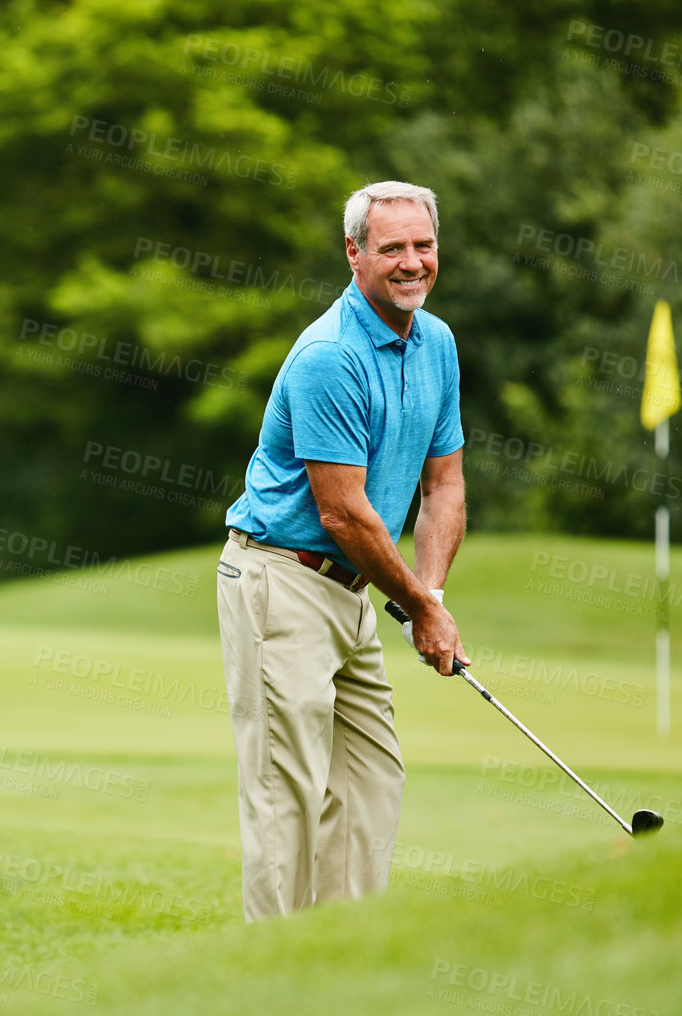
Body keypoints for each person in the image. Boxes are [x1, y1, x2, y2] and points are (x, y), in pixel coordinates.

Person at [217, 180, 470, 923]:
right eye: (392, 248)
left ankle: (340, 949)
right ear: (355, 254)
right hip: (281, 578)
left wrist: (433, 596)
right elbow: (343, 513)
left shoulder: (438, 343)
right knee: (285, 787)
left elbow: (444, 485)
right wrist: (417, 605)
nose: (412, 263)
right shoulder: (330, 355)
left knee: (371, 779)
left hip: (353, 592)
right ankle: (273, 968)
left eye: (423, 246)